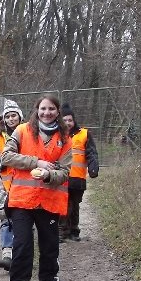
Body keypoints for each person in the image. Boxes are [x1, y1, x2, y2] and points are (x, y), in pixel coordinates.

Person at [1, 94, 72, 281]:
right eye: (43, 109)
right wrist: (36, 162)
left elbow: (66, 171)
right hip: (22, 200)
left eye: (51, 109)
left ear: (57, 112)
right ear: (36, 110)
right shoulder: (21, 131)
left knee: (49, 246)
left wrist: (50, 176)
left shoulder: (65, 138)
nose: (46, 112)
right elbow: (6, 157)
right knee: (22, 245)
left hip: (50, 201)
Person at [0, 99, 23, 270]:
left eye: (13, 115)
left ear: (19, 117)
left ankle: (21, 252)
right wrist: (4, 161)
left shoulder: (27, 134)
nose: (10, 119)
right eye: (7, 116)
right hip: (6, 185)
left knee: (23, 220)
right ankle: (7, 253)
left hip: (26, 183)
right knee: (6, 217)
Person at [59, 103, 99, 241]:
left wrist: (94, 167)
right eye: (65, 120)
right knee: (65, 204)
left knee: (74, 204)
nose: (68, 123)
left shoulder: (84, 134)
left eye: (70, 120)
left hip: (78, 177)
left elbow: (91, 153)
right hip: (62, 177)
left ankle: (73, 230)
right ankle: (63, 231)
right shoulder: (57, 135)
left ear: (74, 120)